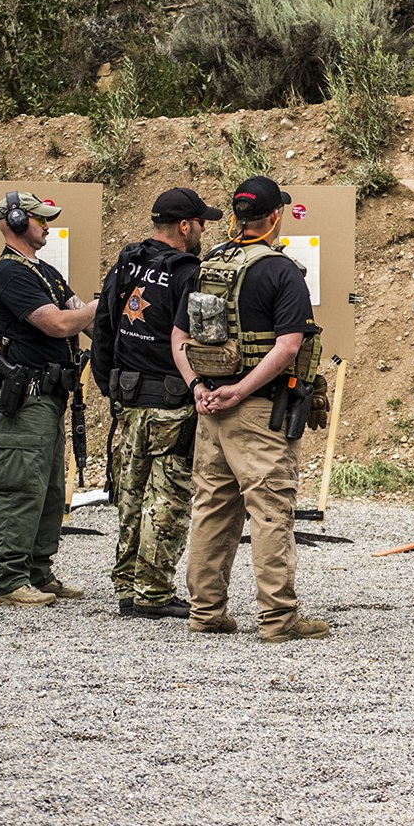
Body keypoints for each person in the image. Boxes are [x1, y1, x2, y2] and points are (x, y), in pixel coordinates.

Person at [173, 176, 326, 643]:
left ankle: (206, 611)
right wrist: (239, 391)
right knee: (270, 512)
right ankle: (278, 619)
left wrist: (198, 386)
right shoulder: (282, 271)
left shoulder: (209, 263)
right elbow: (287, 347)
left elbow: (178, 339)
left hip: (209, 409)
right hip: (257, 412)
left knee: (213, 510)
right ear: (275, 216)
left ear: (237, 216)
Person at [92, 187, 220, 620]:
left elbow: (104, 325)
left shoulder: (128, 262)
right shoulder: (189, 273)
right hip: (171, 401)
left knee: (130, 493)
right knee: (169, 497)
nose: (203, 230)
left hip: (127, 398)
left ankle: (127, 585)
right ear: (185, 226)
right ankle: (154, 591)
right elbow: (199, 338)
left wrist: (109, 385)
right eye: (201, 222)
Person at [0, 191, 97, 607]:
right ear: (16, 222)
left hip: (49, 397)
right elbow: (58, 323)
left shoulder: (43, 270)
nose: (47, 225)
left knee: (49, 488)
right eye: (39, 219)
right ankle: (9, 579)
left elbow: (79, 314)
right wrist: (97, 308)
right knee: (20, 487)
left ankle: (38, 570)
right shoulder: (10, 274)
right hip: (27, 398)